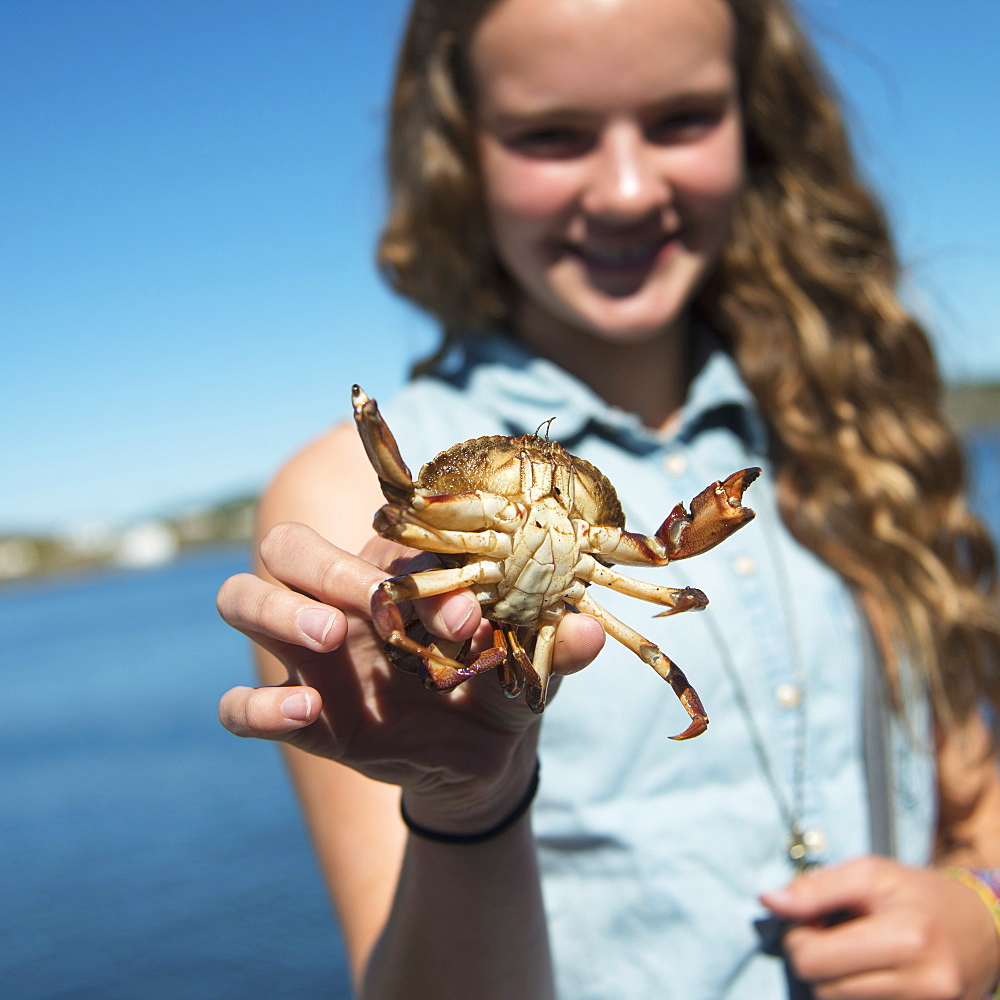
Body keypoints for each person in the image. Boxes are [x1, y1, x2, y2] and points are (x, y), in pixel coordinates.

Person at [216, 0, 1000, 996]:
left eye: (681, 118)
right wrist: (465, 801)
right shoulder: (337, 505)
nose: (627, 190)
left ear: (751, 121)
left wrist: (982, 907)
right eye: (552, 133)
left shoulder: (847, 428)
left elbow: (974, 799)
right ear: (462, 150)